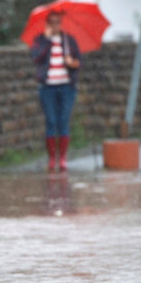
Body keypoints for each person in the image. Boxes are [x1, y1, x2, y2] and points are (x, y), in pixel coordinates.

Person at [31, 11, 81, 172]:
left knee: (63, 120)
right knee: (51, 121)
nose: (55, 25)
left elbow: (79, 61)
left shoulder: (69, 41)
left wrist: (71, 62)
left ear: (61, 23)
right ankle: (52, 158)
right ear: (47, 24)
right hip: (48, 87)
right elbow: (36, 58)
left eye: (57, 22)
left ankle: (63, 158)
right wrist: (46, 40)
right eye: (51, 22)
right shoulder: (40, 40)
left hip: (66, 86)